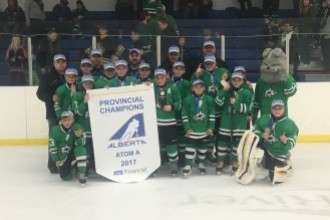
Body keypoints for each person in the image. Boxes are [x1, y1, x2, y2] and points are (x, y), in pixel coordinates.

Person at [253, 99, 299, 185]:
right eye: (275, 108)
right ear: (271, 109)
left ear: (283, 109)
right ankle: (265, 162)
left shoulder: (290, 124)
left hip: (279, 152)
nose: (277, 111)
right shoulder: (264, 119)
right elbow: (256, 129)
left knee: (275, 180)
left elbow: (293, 138)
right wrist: (261, 135)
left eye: (279, 108)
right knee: (253, 147)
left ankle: (286, 162)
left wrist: (286, 141)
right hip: (266, 147)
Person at [215, 71, 253, 175]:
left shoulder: (247, 92)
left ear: (242, 81)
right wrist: (223, 91)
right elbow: (218, 102)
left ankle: (235, 161)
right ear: (231, 81)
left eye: (239, 80)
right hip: (225, 122)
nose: (236, 82)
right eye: (234, 80)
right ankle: (221, 161)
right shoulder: (226, 91)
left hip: (239, 124)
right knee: (222, 143)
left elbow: (247, 108)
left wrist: (235, 103)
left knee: (236, 144)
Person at [36, 53, 67, 174]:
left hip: (69, 114)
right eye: (58, 61)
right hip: (53, 114)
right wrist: (50, 97)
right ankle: (53, 165)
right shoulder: (47, 77)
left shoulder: (70, 75)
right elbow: (39, 93)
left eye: (63, 61)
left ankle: (66, 163)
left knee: (67, 140)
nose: (61, 63)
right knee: (54, 140)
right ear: (54, 64)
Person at [182, 79, 215, 176]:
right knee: (190, 148)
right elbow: (184, 115)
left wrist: (210, 128)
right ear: (192, 88)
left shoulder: (209, 99)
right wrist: (187, 128)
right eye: (196, 87)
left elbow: (212, 115)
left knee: (203, 148)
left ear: (204, 88)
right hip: (192, 130)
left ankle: (200, 162)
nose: (199, 89)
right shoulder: (187, 100)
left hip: (204, 130)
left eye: (201, 87)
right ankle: (188, 165)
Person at [153, 68, 181, 176]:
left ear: (166, 77)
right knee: (156, 145)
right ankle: (154, 164)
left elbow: (179, 103)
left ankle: (174, 164)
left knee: (171, 146)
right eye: (157, 77)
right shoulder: (150, 87)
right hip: (155, 123)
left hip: (169, 122)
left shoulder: (173, 88)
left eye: (162, 77)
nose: (160, 80)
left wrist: (172, 106)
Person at [48, 110, 88, 185]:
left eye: (69, 120)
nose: (67, 122)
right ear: (61, 121)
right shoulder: (55, 130)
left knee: (80, 148)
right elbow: (52, 147)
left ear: (72, 120)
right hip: (64, 157)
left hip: (74, 154)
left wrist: (78, 137)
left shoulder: (77, 127)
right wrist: (56, 160)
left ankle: (82, 173)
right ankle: (73, 167)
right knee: (65, 177)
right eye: (64, 120)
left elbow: (83, 142)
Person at [169, 61, 192, 167]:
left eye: (180, 69)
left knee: (182, 137)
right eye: (176, 69)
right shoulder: (168, 82)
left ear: (184, 71)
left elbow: (188, 99)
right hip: (170, 115)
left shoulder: (187, 83)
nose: (178, 71)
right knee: (172, 136)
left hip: (181, 114)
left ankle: (182, 157)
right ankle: (171, 157)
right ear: (173, 70)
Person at [72, 74, 95, 172]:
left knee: (94, 152)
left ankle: (92, 167)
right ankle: (81, 168)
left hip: (95, 130)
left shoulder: (97, 94)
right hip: (83, 129)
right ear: (82, 84)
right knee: (84, 150)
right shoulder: (77, 95)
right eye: (86, 83)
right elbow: (78, 112)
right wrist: (84, 102)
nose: (88, 84)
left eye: (90, 83)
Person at [298, 0, 317, 68]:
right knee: (303, 47)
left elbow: (313, 19)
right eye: (304, 0)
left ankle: (306, 62)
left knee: (305, 47)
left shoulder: (311, 8)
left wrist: (304, 23)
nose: (305, 1)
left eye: (307, 0)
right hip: (302, 30)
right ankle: (305, 61)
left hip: (308, 30)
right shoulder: (301, 8)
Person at [318, 0, 330, 71]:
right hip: (324, 36)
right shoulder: (324, 10)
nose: (326, 1)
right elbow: (320, 22)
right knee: (325, 53)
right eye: (326, 0)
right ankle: (327, 67)